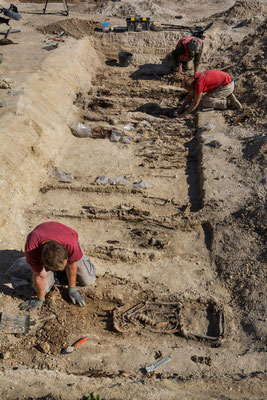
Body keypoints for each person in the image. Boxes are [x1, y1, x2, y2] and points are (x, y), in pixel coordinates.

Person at [18, 221, 96, 311]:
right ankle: (37, 266)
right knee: (44, 289)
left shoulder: (70, 244)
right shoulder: (32, 249)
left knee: (88, 280)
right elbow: (40, 275)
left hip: (67, 238)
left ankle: (81, 256)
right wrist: (40, 299)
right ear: (45, 263)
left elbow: (71, 264)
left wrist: (73, 289)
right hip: (41, 248)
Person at [174, 70, 242, 116]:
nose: (188, 91)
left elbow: (195, 103)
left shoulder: (199, 84)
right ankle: (227, 95)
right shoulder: (196, 77)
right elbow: (190, 95)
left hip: (227, 86)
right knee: (205, 98)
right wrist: (181, 108)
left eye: (187, 89)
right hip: (225, 83)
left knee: (206, 101)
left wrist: (186, 113)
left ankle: (229, 103)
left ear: (191, 86)